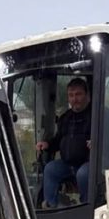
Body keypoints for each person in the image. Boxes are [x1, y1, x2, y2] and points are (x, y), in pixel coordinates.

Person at [37, 78, 92, 207]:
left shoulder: (98, 114)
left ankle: (87, 207)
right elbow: (58, 139)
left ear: (87, 95)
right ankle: (51, 207)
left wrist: (99, 144)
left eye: (78, 94)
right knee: (50, 169)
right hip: (68, 164)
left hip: (91, 164)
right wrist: (47, 144)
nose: (74, 99)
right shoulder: (66, 118)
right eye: (71, 95)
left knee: (83, 174)